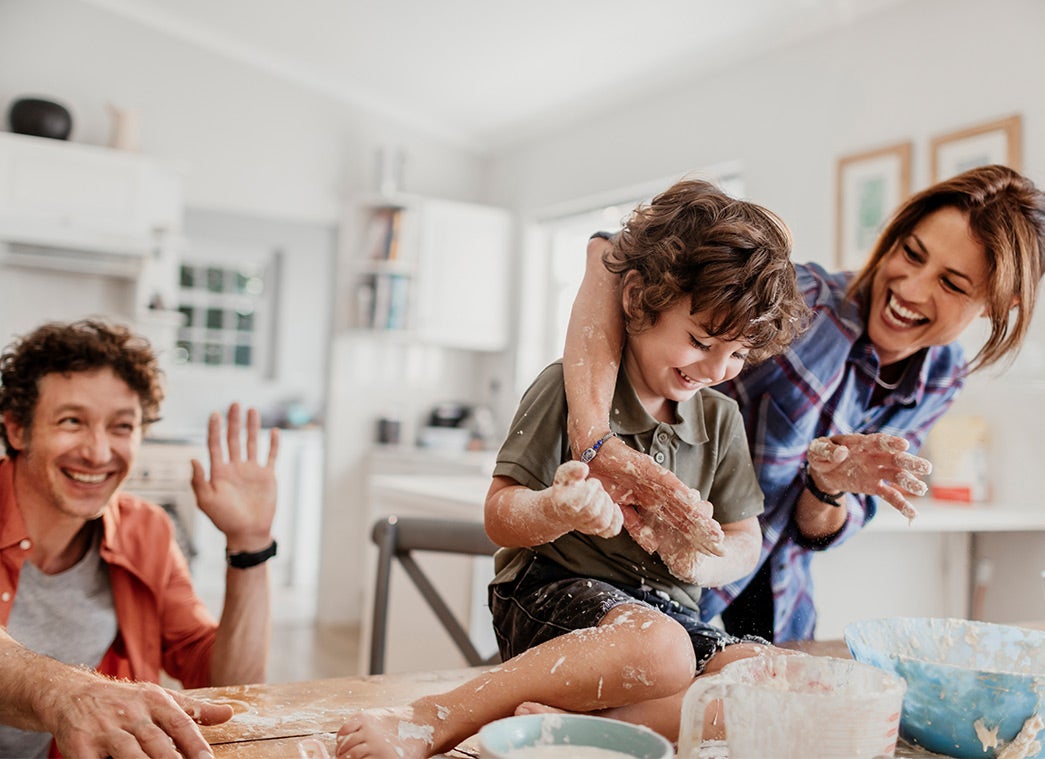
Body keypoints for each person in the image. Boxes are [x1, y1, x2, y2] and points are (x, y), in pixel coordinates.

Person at [334, 179, 811, 758]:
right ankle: (429, 719)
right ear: (638, 299)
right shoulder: (569, 385)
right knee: (661, 653)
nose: (716, 367)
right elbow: (500, 518)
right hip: (549, 595)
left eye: (737, 354)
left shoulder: (720, 417)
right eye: (700, 340)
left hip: (667, 618)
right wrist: (554, 510)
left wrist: (699, 556)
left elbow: (745, 540)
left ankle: (559, 725)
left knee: (769, 680)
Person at [564, 164, 1045, 643]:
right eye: (911, 253)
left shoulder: (941, 378)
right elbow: (608, 252)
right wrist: (594, 441)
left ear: (1001, 305)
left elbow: (814, 529)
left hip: (772, 589)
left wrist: (828, 485)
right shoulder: (806, 299)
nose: (911, 289)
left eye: (952, 284)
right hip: (643, 571)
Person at [0, 318, 281, 758]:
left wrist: (250, 544)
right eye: (72, 421)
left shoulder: (145, 530)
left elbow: (227, 687)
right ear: (17, 428)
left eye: (121, 427)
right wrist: (65, 694)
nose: (98, 452)